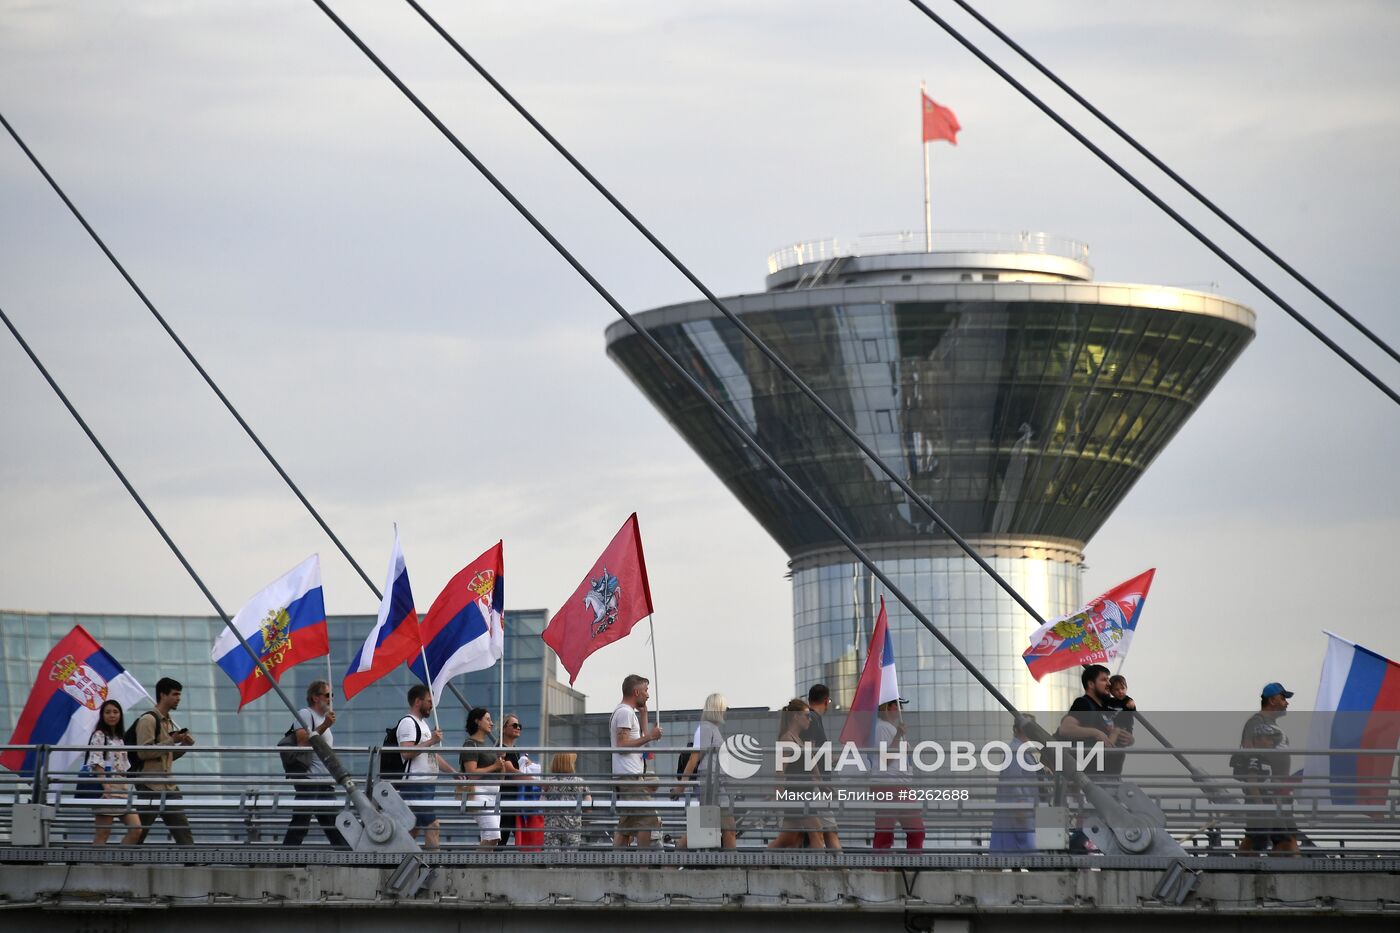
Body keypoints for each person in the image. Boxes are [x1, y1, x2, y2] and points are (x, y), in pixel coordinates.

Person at [1056, 664, 1132, 852]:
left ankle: (1079, 854)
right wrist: (1094, 732)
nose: (1108, 683)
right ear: (1090, 684)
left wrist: (1129, 739)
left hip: (1112, 776)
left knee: (1105, 821)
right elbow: (1066, 728)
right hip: (1095, 775)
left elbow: (1115, 735)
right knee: (1101, 821)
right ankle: (1073, 854)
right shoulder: (1084, 704)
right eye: (1103, 679)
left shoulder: (1106, 707)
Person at [1236, 682, 1299, 854]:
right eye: (1283, 698)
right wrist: (1258, 792)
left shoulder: (1270, 724)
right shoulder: (1257, 722)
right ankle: (1244, 871)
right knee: (1269, 837)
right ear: (1272, 700)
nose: (1286, 702)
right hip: (1266, 791)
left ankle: (1243, 868)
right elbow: (1249, 752)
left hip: (1278, 790)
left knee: (1282, 836)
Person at [282, 680, 346, 848]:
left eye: (331, 695)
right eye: (327, 695)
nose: (331, 698)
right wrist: (325, 725)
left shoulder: (323, 718)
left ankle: (350, 859)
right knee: (301, 822)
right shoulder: (305, 714)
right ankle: (284, 858)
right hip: (310, 779)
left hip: (324, 780)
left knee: (333, 825)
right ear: (315, 697)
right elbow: (303, 741)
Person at [132, 676, 195, 845]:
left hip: (168, 785)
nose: (178, 698)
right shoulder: (148, 720)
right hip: (150, 784)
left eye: (179, 695)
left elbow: (167, 755)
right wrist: (172, 741)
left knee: (182, 827)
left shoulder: (167, 722)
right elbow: (143, 753)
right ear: (163, 695)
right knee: (139, 831)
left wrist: (183, 746)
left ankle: (193, 860)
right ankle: (123, 861)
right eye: (175, 694)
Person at [672, 692, 737, 849]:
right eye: (724, 708)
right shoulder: (707, 728)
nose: (725, 711)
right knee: (728, 828)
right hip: (711, 785)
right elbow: (695, 757)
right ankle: (733, 869)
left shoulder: (710, 728)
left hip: (713, 784)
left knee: (708, 827)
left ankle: (671, 862)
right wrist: (681, 785)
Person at [398, 684, 456, 851]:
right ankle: (434, 865)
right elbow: (406, 753)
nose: (432, 705)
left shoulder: (422, 724)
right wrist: (431, 740)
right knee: (432, 825)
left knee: (413, 829)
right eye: (429, 701)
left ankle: (399, 858)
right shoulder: (408, 723)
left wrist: (452, 771)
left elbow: (431, 754)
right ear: (418, 701)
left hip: (426, 785)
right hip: (415, 784)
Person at [610, 673, 663, 848]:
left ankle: (617, 864)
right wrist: (650, 736)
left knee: (626, 824)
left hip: (629, 775)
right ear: (636, 692)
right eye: (646, 690)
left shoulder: (626, 712)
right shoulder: (625, 712)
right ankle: (642, 868)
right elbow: (623, 744)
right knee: (649, 819)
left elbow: (637, 740)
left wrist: (644, 715)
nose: (648, 694)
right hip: (629, 776)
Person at [86, 699, 142, 845]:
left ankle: (118, 863)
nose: (112, 715)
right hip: (107, 789)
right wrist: (106, 787)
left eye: (116, 712)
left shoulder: (119, 738)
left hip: (122, 790)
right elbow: (97, 763)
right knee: (103, 833)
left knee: (136, 829)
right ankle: (97, 867)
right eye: (108, 712)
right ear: (102, 715)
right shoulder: (99, 735)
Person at [871, 699, 924, 850]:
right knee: (886, 831)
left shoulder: (889, 728)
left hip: (899, 786)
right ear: (888, 707)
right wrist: (898, 736)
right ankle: (881, 867)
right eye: (897, 705)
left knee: (915, 830)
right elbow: (885, 759)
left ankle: (911, 864)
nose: (900, 708)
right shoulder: (882, 728)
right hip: (888, 785)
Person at [460, 707, 514, 848]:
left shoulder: (488, 746)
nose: (491, 723)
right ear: (478, 721)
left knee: (492, 839)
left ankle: (480, 867)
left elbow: (501, 778)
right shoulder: (470, 744)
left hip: (493, 795)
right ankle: (473, 866)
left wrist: (501, 764)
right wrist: (494, 766)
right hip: (479, 793)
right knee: (493, 836)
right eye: (488, 719)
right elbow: (471, 773)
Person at [989, 715, 1042, 853]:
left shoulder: (1023, 749)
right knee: (1026, 848)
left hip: (1024, 807)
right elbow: (1013, 780)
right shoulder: (1016, 750)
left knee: (1016, 847)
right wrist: (1020, 803)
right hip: (1021, 808)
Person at [802, 683, 841, 851]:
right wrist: (820, 780)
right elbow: (809, 752)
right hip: (816, 785)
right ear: (826, 701)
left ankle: (829, 866)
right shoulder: (813, 719)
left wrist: (834, 759)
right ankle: (841, 868)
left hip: (814, 784)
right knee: (829, 828)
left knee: (815, 830)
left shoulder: (810, 718)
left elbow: (814, 753)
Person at [544, 752, 590, 849]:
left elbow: (541, 804)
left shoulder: (548, 782)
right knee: (569, 861)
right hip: (573, 828)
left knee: (552, 861)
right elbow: (588, 808)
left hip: (551, 828)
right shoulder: (580, 782)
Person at [497, 712, 527, 846]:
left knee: (521, 837)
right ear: (504, 728)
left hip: (515, 798)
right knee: (501, 837)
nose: (518, 728)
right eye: (514, 725)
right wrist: (535, 781)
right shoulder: (501, 749)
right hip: (505, 798)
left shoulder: (515, 749)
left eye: (519, 725)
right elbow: (511, 770)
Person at [1102, 674, 1137, 778]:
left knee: (1117, 763)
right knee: (1107, 763)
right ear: (1111, 691)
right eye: (1116, 689)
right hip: (1112, 735)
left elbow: (1131, 709)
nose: (1120, 691)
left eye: (1123, 688)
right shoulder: (1108, 702)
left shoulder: (1127, 701)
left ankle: (1115, 778)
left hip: (1122, 736)